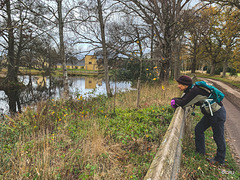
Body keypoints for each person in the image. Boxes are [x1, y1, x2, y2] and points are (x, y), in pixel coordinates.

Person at [171, 75, 226, 165]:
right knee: (199, 129)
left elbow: (183, 103)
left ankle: (220, 160)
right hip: (211, 114)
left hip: (217, 114)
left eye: (180, 84)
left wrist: (174, 102)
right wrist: (175, 100)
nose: (178, 86)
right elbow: (184, 99)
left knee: (218, 137)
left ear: (185, 85)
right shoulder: (191, 90)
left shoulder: (194, 91)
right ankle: (200, 152)